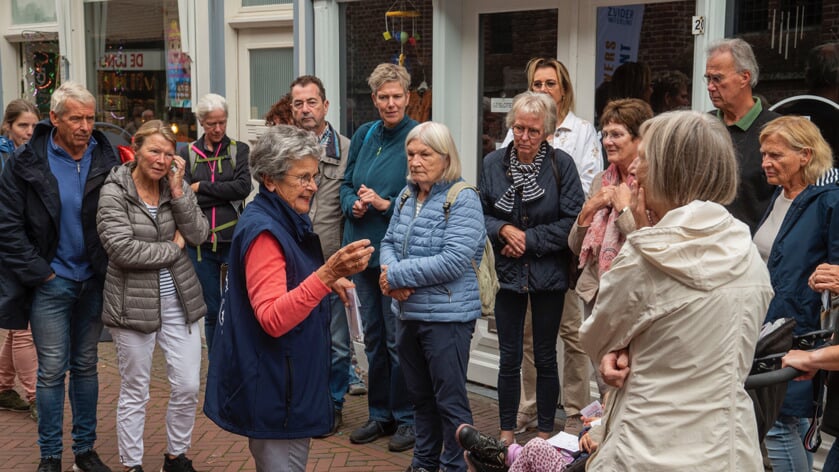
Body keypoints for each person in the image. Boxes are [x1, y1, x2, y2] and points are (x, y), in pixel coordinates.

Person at [579, 110, 773, 470]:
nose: (634, 169)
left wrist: (617, 351)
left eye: (645, 158)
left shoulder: (644, 258)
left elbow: (596, 337)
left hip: (649, 447)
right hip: (727, 448)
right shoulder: (748, 254)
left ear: (671, 171)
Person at [203, 124, 374, 471]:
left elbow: (286, 277)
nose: (312, 186)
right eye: (303, 178)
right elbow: (273, 317)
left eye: (314, 176)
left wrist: (324, 279)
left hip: (281, 385)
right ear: (270, 180)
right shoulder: (265, 231)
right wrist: (326, 275)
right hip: (277, 391)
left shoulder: (279, 216)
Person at [0, 81, 119, 472]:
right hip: (52, 281)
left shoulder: (106, 155)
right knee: (52, 370)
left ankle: (85, 450)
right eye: (76, 118)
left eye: (90, 117)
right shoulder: (25, 161)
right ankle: (50, 455)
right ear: (54, 119)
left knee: (85, 365)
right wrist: (43, 275)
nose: (85, 126)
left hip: (93, 279)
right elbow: (8, 227)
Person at [97, 120, 208, 472]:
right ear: (136, 147)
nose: (161, 160)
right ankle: (132, 464)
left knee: (188, 384)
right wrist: (174, 248)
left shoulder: (173, 187)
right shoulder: (114, 190)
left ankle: (177, 456)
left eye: (168, 154)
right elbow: (121, 249)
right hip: (131, 303)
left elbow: (200, 233)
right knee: (135, 390)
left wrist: (178, 191)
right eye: (154, 151)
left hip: (180, 300)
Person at [500, 57, 603, 436]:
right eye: (537, 83)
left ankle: (575, 408)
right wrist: (507, 231)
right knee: (528, 338)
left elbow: (584, 193)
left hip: (563, 256)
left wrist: (535, 235)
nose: (543, 89)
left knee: (572, 334)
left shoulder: (581, 131)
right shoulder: (516, 133)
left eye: (550, 84)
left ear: (563, 89)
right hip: (521, 260)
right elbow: (500, 192)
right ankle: (529, 406)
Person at [378, 121, 486, 472]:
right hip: (408, 314)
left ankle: (454, 466)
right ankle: (424, 463)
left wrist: (396, 275)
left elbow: (454, 260)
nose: (416, 161)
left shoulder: (463, 198)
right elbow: (389, 243)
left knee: (450, 403)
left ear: (445, 157)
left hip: (447, 320)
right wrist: (392, 278)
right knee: (420, 400)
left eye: (425, 154)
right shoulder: (407, 195)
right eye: (411, 153)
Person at [480, 91, 584, 446]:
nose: (524, 137)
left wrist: (529, 238)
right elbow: (481, 213)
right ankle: (506, 432)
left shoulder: (561, 165)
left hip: (548, 276)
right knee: (508, 357)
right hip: (508, 275)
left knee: (544, 356)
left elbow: (573, 220)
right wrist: (502, 230)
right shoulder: (493, 163)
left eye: (533, 131)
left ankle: (543, 432)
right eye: (519, 128)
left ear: (548, 132)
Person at [752, 115, 839, 472]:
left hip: (801, 331)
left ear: (805, 155)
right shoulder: (781, 195)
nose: (765, 163)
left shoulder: (828, 201)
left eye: (775, 155)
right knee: (791, 423)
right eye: (763, 154)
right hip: (771, 325)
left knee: (778, 425)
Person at [340, 62, 418, 451]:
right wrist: (353, 202)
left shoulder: (417, 137)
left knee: (397, 341)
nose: (390, 103)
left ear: (407, 97)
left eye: (396, 96)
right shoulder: (364, 134)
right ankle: (379, 415)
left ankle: (407, 419)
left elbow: (426, 196)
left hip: (395, 255)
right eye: (383, 97)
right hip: (360, 253)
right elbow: (345, 184)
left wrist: (386, 205)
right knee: (371, 338)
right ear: (374, 99)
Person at [567, 98, 652, 394]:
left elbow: (648, 245)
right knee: (603, 380)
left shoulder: (649, 184)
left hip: (631, 295)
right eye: (605, 134)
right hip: (596, 292)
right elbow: (576, 246)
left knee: (628, 380)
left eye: (617, 134)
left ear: (639, 139)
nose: (608, 142)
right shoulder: (601, 181)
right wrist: (589, 209)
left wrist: (625, 210)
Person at [287, 74, 356, 437]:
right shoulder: (285, 151)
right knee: (299, 340)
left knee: (337, 343)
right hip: (294, 266)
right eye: (298, 103)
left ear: (325, 106)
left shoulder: (346, 150)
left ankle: (333, 405)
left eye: (311, 102)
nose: (305, 110)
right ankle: (305, 403)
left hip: (333, 265)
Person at [179, 93, 251, 352]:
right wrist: (218, 190)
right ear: (201, 122)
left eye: (222, 122)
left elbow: (243, 188)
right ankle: (217, 359)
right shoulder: (186, 153)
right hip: (200, 244)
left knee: (235, 304)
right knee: (211, 309)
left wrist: (202, 187)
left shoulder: (238, 150)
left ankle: (236, 355)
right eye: (212, 124)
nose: (218, 129)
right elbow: (185, 196)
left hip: (232, 241)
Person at [705, 38, 780, 233]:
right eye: (708, 79)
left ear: (744, 77)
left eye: (717, 79)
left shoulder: (777, 130)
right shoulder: (702, 127)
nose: (710, 87)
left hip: (753, 252)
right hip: (701, 248)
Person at [0, 99, 40, 420]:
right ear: (7, 127)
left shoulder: (35, 156)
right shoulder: (4, 159)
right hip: (10, 250)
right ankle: (37, 397)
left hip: (29, 248)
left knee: (17, 325)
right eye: (22, 126)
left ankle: (2, 387)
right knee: (25, 326)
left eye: (33, 126)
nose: (29, 132)